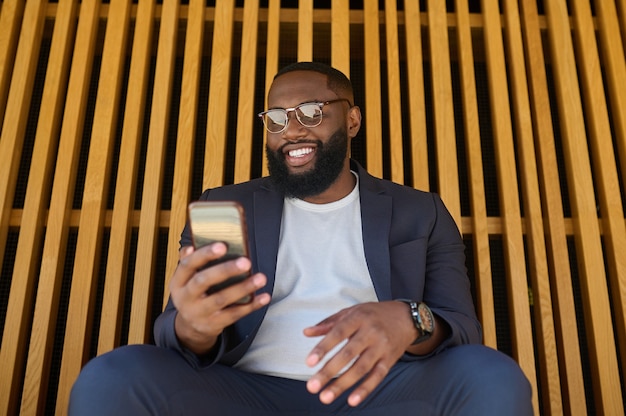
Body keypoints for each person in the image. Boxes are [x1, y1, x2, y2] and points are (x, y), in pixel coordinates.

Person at [69, 62, 532, 415]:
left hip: (383, 393)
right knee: (113, 377)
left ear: (351, 121)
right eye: (275, 116)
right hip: (245, 393)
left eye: (311, 111)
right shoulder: (228, 205)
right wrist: (194, 326)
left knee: (491, 376)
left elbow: (462, 329)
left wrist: (409, 320)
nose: (290, 128)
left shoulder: (419, 211)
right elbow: (180, 331)